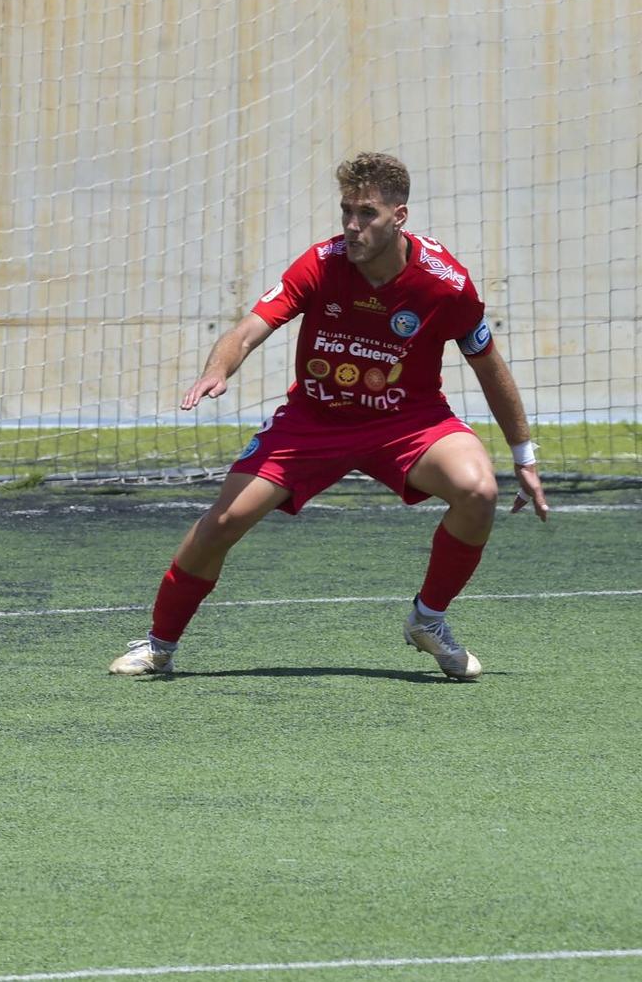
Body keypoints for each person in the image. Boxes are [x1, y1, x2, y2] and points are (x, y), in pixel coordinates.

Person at [108, 152, 551, 681]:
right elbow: (250, 327)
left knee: (478, 491)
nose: (352, 226)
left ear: (399, 216)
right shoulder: (321, 262)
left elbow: (487, 365)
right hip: (313, 421)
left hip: (407, 422)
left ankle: (428, 620)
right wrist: (218, 368)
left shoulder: (445, 284)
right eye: (346, 211)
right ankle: (158, 646)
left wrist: (523, 455)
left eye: (366, 214)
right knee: (223, 522)